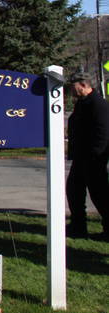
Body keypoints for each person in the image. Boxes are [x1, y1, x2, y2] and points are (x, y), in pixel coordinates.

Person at [65, 71, 109, 240]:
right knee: (74, 191)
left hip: (93, 158)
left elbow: (103, 133)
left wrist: (95, 156)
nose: (71, 90)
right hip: (81, 157)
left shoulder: (99, 105)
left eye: (73, 87)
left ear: (83, 85)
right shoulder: (82, 103)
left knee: (100, 195)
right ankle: (78, 226)